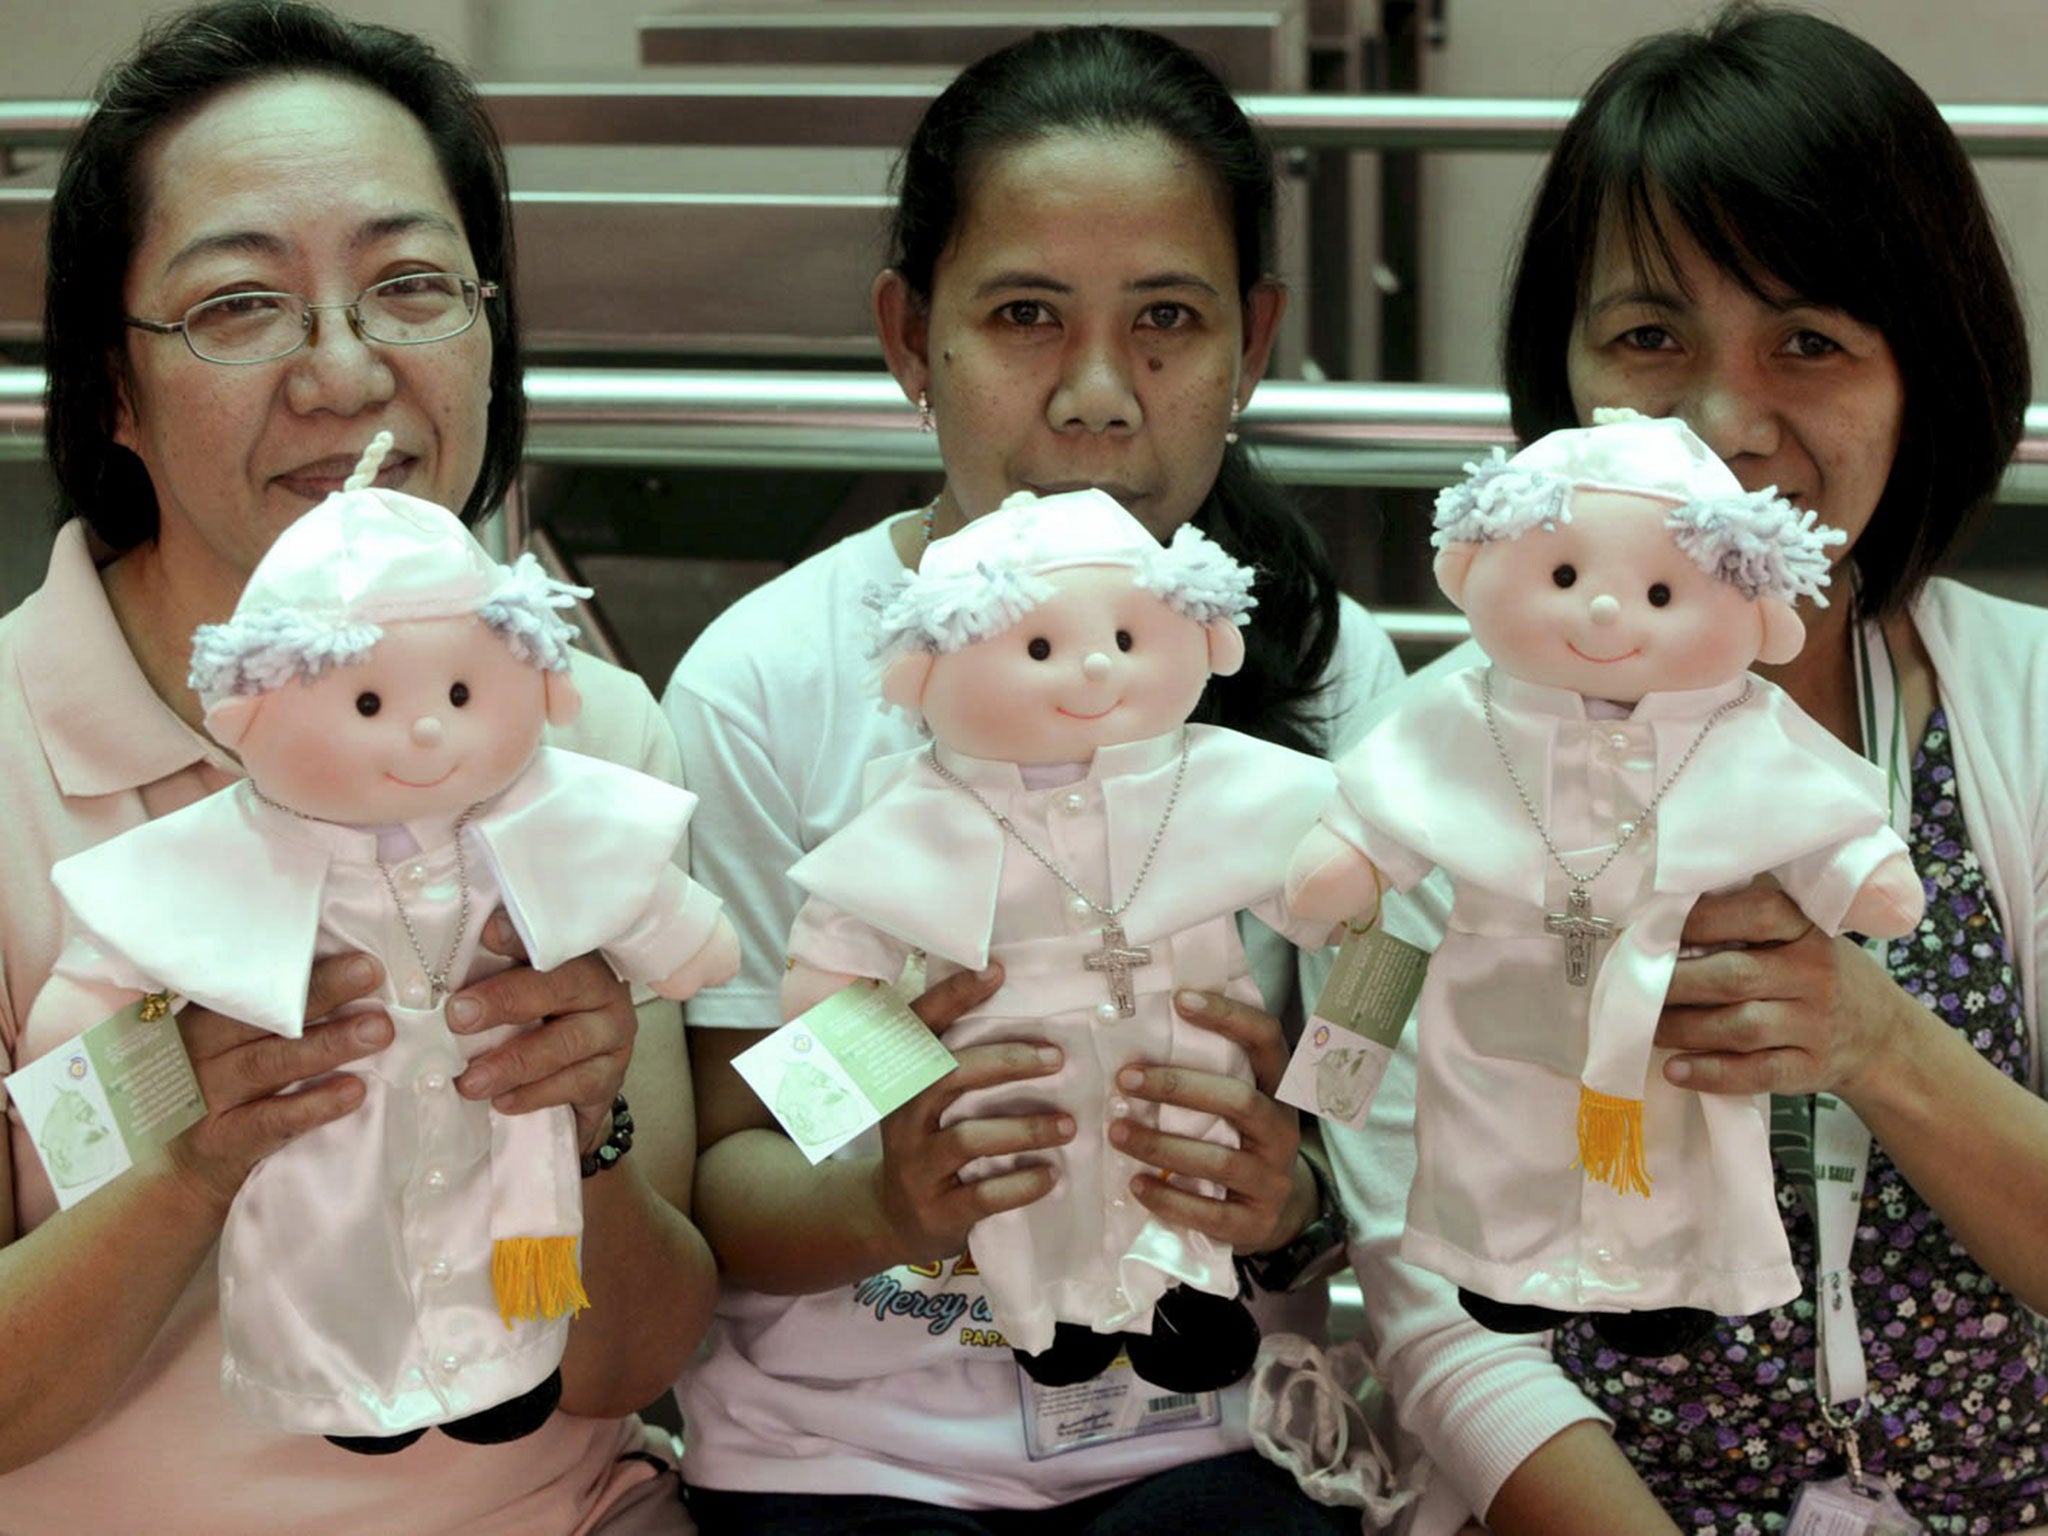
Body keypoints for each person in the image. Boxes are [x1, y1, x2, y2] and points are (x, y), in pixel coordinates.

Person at [663, 25, 1415, 1533]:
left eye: (1168, 320)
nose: (1095, 393)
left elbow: (1384, 1018)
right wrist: (883, 1187)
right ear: (905, 336)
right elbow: (728, 1177)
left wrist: (1305, 1194)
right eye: (1022, 315)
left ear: (1253, 342)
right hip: (842, 1457)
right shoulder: (766, 686)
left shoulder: (1326, 674)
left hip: (1210, 1436)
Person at [1329, 6, 2047, 1531]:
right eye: (1651, 339)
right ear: (1565, 366)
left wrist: (1879, 1041)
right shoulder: (1446, 747)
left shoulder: (2031, 711)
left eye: (1809, 341)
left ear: (1924, 375)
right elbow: (1428, 1291)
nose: (1725, 425)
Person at [0, 3, 715, 1529]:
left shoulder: (583, 735)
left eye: (409, 288)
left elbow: (641, 1355)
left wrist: (584, 1128)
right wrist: (186, 1166)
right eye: (239, 307)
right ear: (110, 388)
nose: (344, 374)